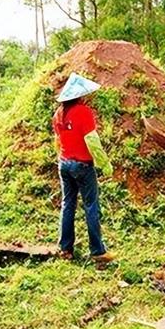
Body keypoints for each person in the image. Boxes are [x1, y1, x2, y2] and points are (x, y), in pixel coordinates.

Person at [52, 72, 114, 264]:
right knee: (91, 206)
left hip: (64, 163)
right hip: (83, 165)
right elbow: (92, 141)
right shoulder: (83, 112)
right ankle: (97, 252)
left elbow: (57, 141)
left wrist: (62, 158)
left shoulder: (58, 114)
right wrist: (105, 164)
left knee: (67, 204)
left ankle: (65, 249)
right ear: (79, 95)